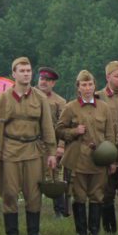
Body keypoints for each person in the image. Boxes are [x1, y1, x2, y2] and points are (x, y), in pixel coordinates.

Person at [0, 57, 57, 235]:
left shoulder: (40, 98)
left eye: (28, 70)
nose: (26, 74)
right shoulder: (2, 100)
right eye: (22, 71)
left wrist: (51, 152)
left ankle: (34, 234)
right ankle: (12, 234)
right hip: (9, 150)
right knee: (9, 192)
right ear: (14, 74)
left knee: (33, 194)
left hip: (33, 150)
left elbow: (48, 128)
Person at [56, 70, 117, 235]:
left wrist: (112, 160)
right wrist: (75, 131)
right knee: (80, 196)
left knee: (97, 195)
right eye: (84, 85)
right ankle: (81, 234)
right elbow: (59, 130)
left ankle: (95, 233)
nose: (87, 88)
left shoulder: (104, 108)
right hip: (78, 159)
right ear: (78, 87)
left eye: (90, 84)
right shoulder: (70, 107)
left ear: (95, 86)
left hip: (99, 159)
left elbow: (110, 135)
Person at [96, 61, 118, 234]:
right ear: (108, 77)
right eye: (117, 76)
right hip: (107, 150)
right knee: (107, 192)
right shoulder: (98, 97)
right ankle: (109, 230)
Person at [37, 67, 69, 218]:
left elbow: (63, 126)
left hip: (52, 145)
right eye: (42, 79)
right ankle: (34, 209)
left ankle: (60, 211)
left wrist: (61, 146)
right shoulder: (30, 96)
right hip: (33, 144)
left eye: (47, 80)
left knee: (56, 177)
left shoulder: (60, 101)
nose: (44, 82)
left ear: (53, 83)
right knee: (35, 177)